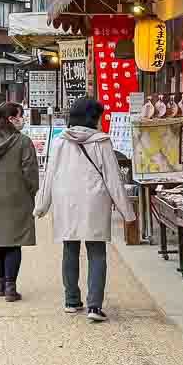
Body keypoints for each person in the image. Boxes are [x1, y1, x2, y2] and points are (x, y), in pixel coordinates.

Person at [36, 97, 134, 321]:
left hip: (65, 200)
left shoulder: (61, 140)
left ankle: (71, 300)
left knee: (69, 249)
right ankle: (94, 307)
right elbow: (114, 179)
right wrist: (127, 212)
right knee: (97, 252)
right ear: (93, 118)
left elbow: (49, 174)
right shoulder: (101, 142)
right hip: (94, 202)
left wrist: (41, 206)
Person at [0, 101, 40, 302]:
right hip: (18, 196)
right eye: (20, 115)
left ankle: (0, 283)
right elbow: (31, 172)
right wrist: (31, 192)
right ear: (12, 119)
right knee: (14, 242)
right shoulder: (23, 142)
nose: (23, 119)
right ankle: (11, 286)